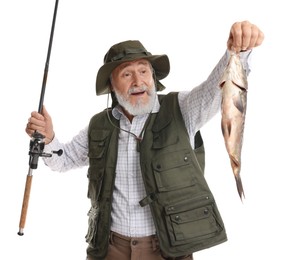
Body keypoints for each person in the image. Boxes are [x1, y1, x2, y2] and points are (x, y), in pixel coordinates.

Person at [25, 21, 264, 260]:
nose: (138, 81)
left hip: (167, 250)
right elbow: (63, 160)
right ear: (112, 85)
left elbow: (216, 89)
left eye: (143, 71)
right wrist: (48, 138)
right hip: (109, 250)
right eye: (126, 74)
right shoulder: (99, 125)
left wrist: (237, 53)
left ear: (153, 77)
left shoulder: (181, 109)